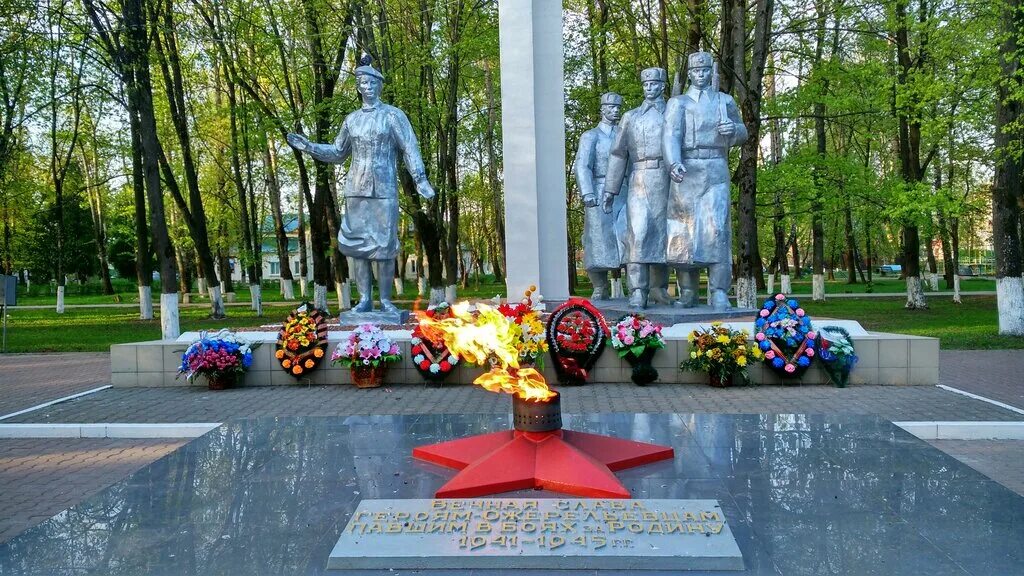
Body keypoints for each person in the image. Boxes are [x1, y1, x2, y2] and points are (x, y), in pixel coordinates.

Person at [287, 57, 435, 314]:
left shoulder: (393, 116)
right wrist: (309, 146)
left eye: (371, 82)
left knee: (385, 245)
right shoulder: (352, 119)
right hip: (356, 189)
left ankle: (386, 301)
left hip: (384, 189)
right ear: (357, 87)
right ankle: (365, 299)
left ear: (380, 85)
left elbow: (410, 147)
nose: (366, 86)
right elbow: (337, 151)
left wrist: (420, 179)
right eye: (362, 83)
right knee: (358, 247)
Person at [663, 52, 748, 310]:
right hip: (686, 170)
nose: (700, 75)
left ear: (711, 72)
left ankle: (719, 290)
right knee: (683, 233)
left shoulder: (724, 100)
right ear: (690, 73)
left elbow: (743, 130)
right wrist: (673, 162)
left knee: (717, 231)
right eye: (696, 71)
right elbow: (670, 135)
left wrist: (734, 131)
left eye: (704, 71)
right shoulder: (678, 103)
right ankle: (688, 292)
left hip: (715, 168)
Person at [603, 68, 673, 309]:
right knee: (638, 233)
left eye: (655, 84)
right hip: (640, 179)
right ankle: (637, 290)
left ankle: (659, 289)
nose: (650, 88)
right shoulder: (630, 117)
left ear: (663, 85)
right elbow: (618, 154)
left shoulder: (672, 114)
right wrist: (610, 190)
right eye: (646, 84)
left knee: (664, 234)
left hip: (668, 178)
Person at [575, 92, 627, 300]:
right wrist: (587, 192)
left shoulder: (624, 134)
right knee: (598, 239)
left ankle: (635, 287)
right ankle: (599, 285)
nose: (615, 111)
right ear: (603, 109)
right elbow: (583, 165)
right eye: (611, 107)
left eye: (618, 108)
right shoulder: (591, 136)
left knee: (627, 237)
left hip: (624, 190)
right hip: (598, 190)